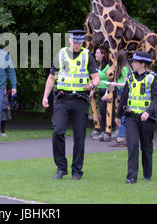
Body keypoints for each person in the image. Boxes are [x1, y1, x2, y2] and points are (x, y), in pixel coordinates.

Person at [42, 30, 100, 180]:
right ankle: (61, 168)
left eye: (80, 43)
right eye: (75, 42)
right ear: (69, 40)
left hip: (80, 99)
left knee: (79, 136)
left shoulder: (87, 55)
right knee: (58, 132)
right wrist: (45, 96)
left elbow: (96, 77)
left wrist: (92, 85)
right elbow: (51, 78)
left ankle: (76, 170)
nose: (77, 45)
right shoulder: (61, 54)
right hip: (62, 99)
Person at [116, 51, 157, 184]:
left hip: (147, 118)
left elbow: (156, 98)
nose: (132, 64)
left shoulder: (152, 78)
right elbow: (124, 98)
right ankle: (131, 177)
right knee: (133, 145)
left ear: (142, 64)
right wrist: (118, 115)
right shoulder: (130, 77)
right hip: (131, 118)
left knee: (146, 147)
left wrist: (148, 111)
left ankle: (147, 174)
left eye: (135, 62)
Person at [108, 50, 131, 147]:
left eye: (116, 59)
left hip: (124, 93)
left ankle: (120, 139)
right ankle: (121, 138)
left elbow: (127, 84)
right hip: (121, 93)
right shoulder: (120, 68)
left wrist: (115, 84)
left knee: (122, 116)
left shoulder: (125, 69)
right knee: (122, 116)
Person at [90, 46, 110, 141]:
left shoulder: (107, 66)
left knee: (105, 112)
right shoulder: (99, 65)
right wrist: (93, 89)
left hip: (107, 91)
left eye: (97, 53)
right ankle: (103, 131)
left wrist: (107, 92)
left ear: (102, 55)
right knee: (102, 112)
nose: (95, 54)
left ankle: (109, 130)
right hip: (100, 91)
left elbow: (109, 79)